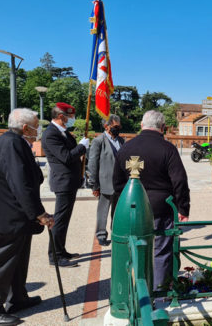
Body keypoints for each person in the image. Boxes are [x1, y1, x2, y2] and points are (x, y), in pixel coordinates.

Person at [0, 108, 54, 325]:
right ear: (25, 127)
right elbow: (20, 184)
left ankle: (17, 298)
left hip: (14, 216)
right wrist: (39, 213)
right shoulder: (12, 143)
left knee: (17, 260)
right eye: (36, 126)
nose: (37, 130)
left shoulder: (12, 141)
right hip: (4, 216)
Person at [113, 110, 191, 290]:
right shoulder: (167, 149)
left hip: (131, 208)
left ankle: (131, 290)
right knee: (161, 251)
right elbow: (179, 180)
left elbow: (117, 183)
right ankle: (158, 291)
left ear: (141, 125)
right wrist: (183, 208)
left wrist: (120, 209)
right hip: (160, 208)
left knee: (133, 249)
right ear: (163, 128)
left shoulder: (126, 148)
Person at [42, 102, 89, 268]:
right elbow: (67, 157)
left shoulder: (64, 133)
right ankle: (54, 256)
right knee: (60, 220)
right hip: (63, 182)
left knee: (64, 219)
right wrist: (82, 146)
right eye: (70, 116)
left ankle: (61, 250)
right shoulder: (51, 134)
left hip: (71, 181)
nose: (72, 119)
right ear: (61, 117)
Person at [88, 114, 125, 247]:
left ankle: (116, 232)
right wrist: (94, 185)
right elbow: (92, 164)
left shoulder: (121, 141)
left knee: (117, 211)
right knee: (103, 211)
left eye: (119, 126)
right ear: (106, 126)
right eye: (115, 126)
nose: (118, 128)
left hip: (119, 184)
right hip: (104, 183)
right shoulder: (99, 141)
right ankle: (101, 235)